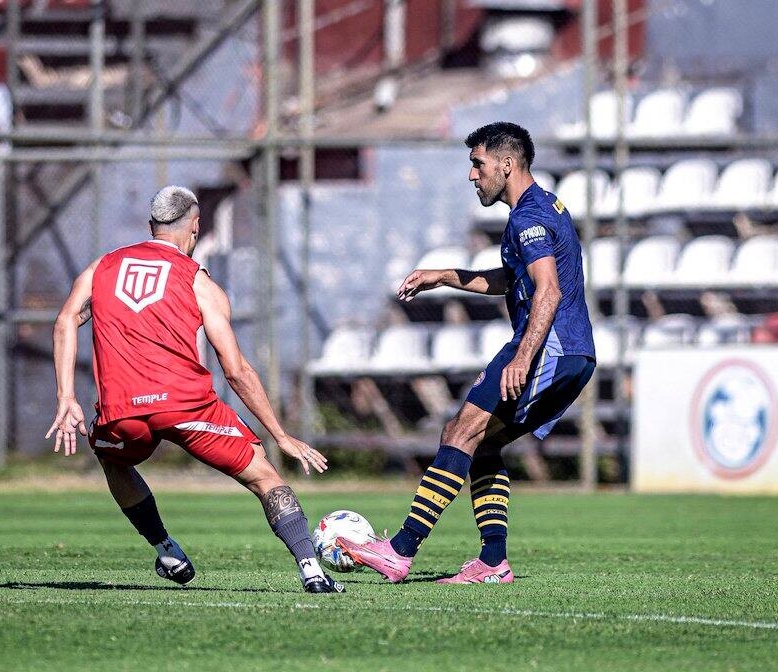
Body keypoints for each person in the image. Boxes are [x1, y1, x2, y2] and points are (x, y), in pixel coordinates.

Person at [46, 185, 344, 593]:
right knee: (266, 478)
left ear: (151, 225)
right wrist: (279, 434)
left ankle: (166, 549)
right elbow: (235, 369)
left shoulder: (103, 268)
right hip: (188, 407)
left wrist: (66, 397)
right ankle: (311, 570)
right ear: (196, 226)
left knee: (113, 460)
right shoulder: (198, 282)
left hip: (123, 411)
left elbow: (65, 321)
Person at [338, 122, 596, 584]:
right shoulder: (541, 209)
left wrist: (522, 357)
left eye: (478, 165)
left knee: (461, 429)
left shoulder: (527, 217)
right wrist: (443, 276)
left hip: (549, 348)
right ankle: (493, 562)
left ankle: (399, 551)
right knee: (482, 442)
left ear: (506, 164)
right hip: (572, 352)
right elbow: (508, 280)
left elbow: (549, 291)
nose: (472, 176)